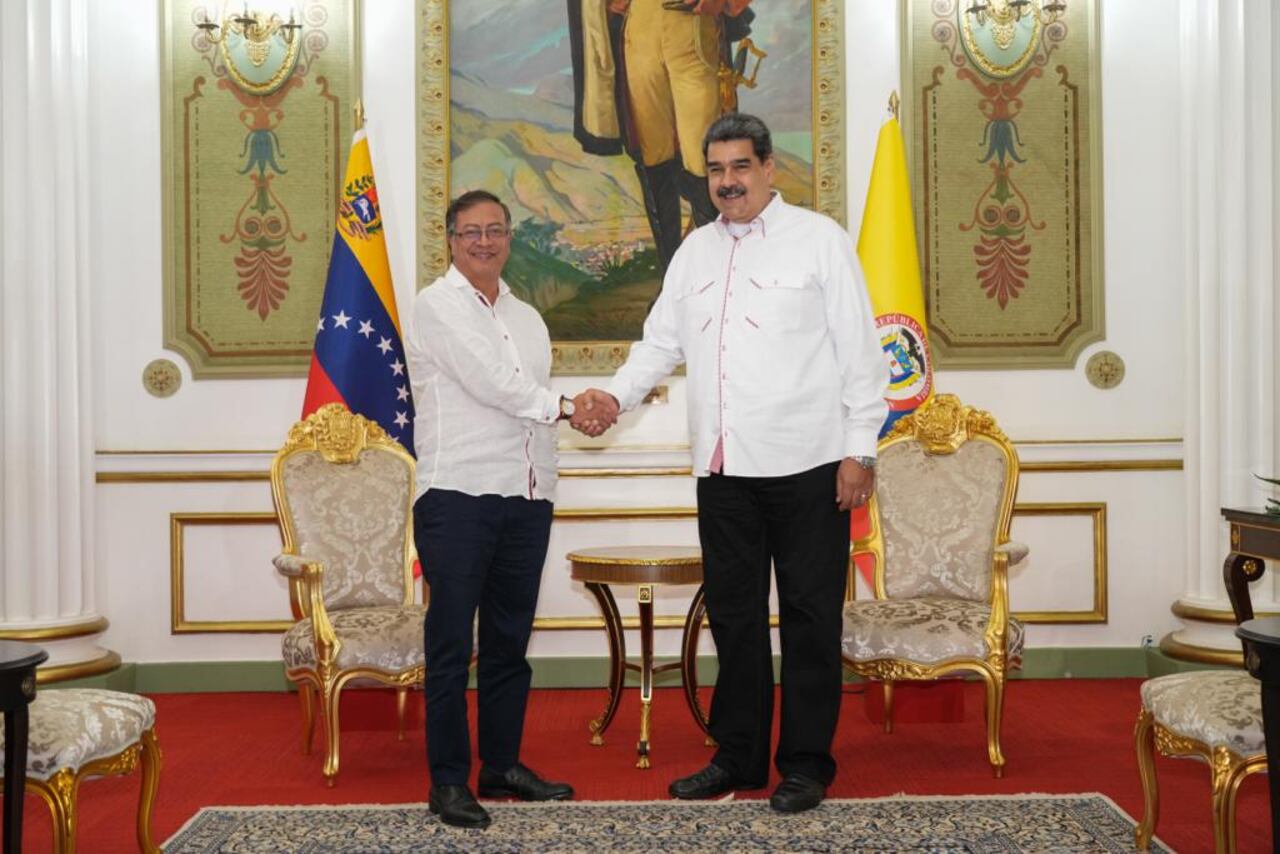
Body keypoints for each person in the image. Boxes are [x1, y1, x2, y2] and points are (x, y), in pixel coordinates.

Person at [575, 113, 889, 813]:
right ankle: (738, 757)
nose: (728, 182)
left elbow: (859, 354)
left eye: (741, 167)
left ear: (768, 168)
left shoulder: (820, 241)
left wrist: (860, 449)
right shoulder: (694, 252)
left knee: (810, 619)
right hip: (723, 471)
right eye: (716, 170)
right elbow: (660, 344)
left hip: (811, 465)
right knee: (735, 618)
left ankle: (805, 765)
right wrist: (614, 396)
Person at [408, 190, 585, 829]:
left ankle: (502, 766)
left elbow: (528, 400)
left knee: (510, 643)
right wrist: (571, 408)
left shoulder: (528, 317)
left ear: (510, 237)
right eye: (471, 232)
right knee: (452, 645)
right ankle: (449, 782)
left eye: (495, 230)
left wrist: (548, 479)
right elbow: (493, 384)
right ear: (451, 240)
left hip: (525, 496)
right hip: (458, 495)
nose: (484, 242)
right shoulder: (436, 306)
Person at [568, 0, 754, 274]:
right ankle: (672, 278)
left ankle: (714, 277)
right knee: (654, 158)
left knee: (704, 159)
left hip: (691, 30)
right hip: (639, 33)